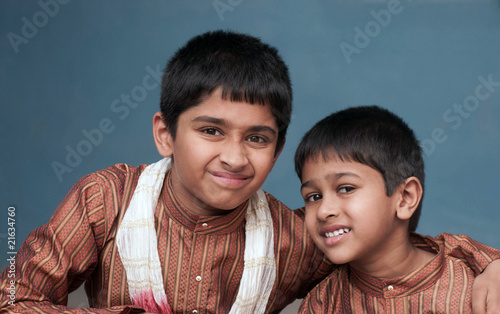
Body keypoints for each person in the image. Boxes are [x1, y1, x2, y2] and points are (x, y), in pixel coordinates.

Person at [0, 31, 498, 314]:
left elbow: (389, 252)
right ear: (165, 134)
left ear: (277, 150)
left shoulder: (294, 236)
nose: (236, 158)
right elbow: (14, 300)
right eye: (212, 131)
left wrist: (489, 261)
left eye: (257, 138)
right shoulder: (106, 199)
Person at [295, 105, 500, 313]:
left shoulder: (477, 286)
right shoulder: (322, 304)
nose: (323, 211)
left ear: (405, 198)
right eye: (314, 197)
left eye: (346, 188)